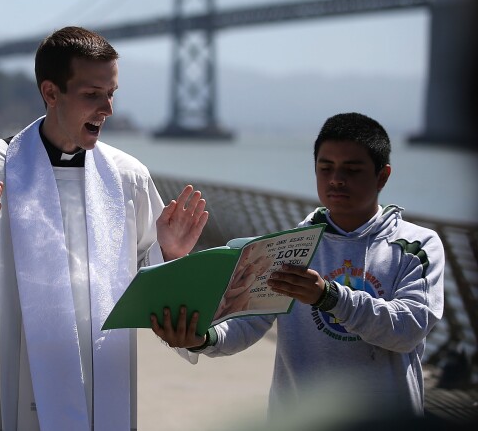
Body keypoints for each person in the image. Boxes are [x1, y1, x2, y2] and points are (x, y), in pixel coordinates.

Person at [0, 26, 209, 431]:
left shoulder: (127, 178)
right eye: (92, 95)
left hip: (104, 382)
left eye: (111, 93)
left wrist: (168, 257)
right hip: (14, 385)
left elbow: (144, 282)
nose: (108, 109)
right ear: (51, 92)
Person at [153, 112, 445, 419]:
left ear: (382, 176)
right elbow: (246, 322)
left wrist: (329, 297)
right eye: (325, 168)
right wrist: (203, 339)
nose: (336, 179)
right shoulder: (288, 247)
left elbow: (409, 329)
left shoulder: (417, 245)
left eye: (352, 169)